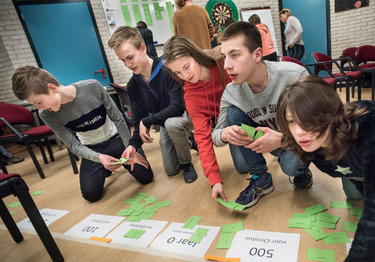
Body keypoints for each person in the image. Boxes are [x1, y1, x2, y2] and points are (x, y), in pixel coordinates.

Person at [276, 76, 375, 261]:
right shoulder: (307, 139)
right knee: (355, 196)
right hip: (354, 156)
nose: (299, 132)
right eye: (291, 121)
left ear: (330, 116)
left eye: (308, 120)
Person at [11, 66, 154, 202]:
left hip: (117, 139)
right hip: (92, 148)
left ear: (52, 88)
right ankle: (104, 167)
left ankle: (112, 162)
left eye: (39, 102)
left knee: (146, 177)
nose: (39, 108)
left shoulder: (92, 87)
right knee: (90, 194)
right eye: (35, 105)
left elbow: (119, 120)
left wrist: (130, 147)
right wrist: (98, 158)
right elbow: (73, 145)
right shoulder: (47, 115)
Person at [211, 21, 312, 208]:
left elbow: (318, 128)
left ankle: (301, 171)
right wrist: (224, 134)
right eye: (225, 57)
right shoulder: (231, 91)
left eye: (235, 55)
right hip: (260, 139)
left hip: (292, 140)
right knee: (233, 116)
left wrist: (282, 140)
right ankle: (261, 179)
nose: (226, 65)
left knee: (292, 166)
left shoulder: (295, 76)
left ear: (257, 54)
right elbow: (215, 136)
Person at [108, 26, 198, 183]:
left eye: (130, 57)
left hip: (184, 116)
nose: (128, 65)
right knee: (170, 170)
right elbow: (139, 121)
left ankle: (187, 164)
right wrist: (132, 146)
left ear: (143, 48)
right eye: (123, 60)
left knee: (171, 124)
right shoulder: (133, 86)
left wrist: (148, 121)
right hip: (165, 122)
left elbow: (177, 107)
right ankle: (187, 140)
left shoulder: (167, 68)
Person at [163, 35, 232, 202]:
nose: (185, 75)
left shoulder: (222, 64)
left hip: (238, 115)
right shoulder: (191, 95)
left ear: (195, 55)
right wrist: (214, 179)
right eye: (178, 72)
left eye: (186, 67)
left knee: (244, 166)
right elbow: (202, 137)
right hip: (222, 125)